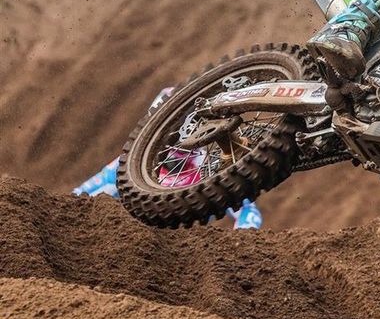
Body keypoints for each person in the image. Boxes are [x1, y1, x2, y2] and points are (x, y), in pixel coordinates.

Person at [73, 87, 263, 229]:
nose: (170, 132)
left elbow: (248, 211)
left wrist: (240, 240)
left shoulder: (211, 166)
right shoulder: (130, 164)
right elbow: (78, 198)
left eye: (177, 124)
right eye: (160, 124)